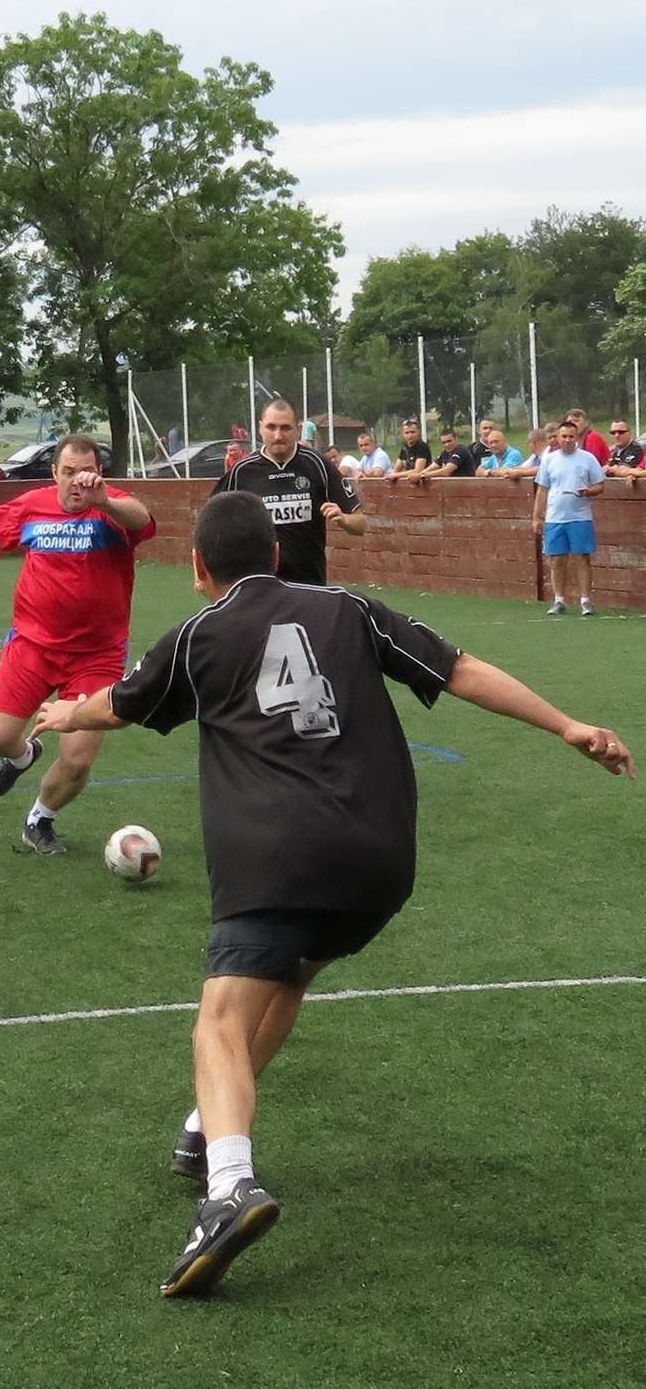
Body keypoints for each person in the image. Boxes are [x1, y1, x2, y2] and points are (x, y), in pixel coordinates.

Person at [32, 491, 634, 1300]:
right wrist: (566, 726)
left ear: (198, 567)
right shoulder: (349, 608)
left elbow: (118, 705)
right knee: (291, 972)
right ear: (278, 555)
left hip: (276, 857)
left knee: (218, 1020)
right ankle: (205, 1128)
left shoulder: (198, 634)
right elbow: (459, 669)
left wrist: (65, 710)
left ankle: (228, 1189)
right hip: (379, 862)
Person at [0, 435, 155, 855]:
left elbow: (141, 518)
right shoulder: (33, 504)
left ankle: (40, 819)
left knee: (78, 759)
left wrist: (104, 502)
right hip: (32, 646)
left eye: (86, 473)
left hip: (96, 656)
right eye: (68, 472)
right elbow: (2, 534)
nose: (77, 482)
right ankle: (22, 756)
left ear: (99, 474)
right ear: (54, 473)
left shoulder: (113, 508)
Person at [211, 399, 363, 585]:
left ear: (298, 429)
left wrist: (344, 519)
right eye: (271, 427)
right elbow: (211, 524)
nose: (278, 435)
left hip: (309, 586)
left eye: (285, 428)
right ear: (260, 428)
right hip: (259, 588)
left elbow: (360, 524)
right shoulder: (241, 471)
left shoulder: (317, 465)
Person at [534, 418, 605, 616]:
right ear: (558, 437)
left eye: (571, 437)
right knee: (557, 559)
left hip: (580, 517)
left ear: (577, 437)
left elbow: (600, 485)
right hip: (555, 517)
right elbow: (542, 489)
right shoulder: (549, 459)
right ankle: (559, 600)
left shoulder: (588, 459)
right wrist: (537, 517)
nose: (567, 440)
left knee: (582, 558)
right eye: (564, 436)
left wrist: (588, 491)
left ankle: (585, 601)